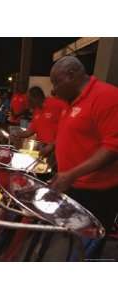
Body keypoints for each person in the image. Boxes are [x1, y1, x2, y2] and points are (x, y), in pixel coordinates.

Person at [49, 56, 118, 259]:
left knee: (86, 249)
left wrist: (72, 174)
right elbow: (74, 136)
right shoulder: (70, 101)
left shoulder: (107, 96)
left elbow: (113, 147)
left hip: (96, 193)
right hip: (73, 187)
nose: (54, 89)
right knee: (70, 241)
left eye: (56, 82)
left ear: (72, 75)